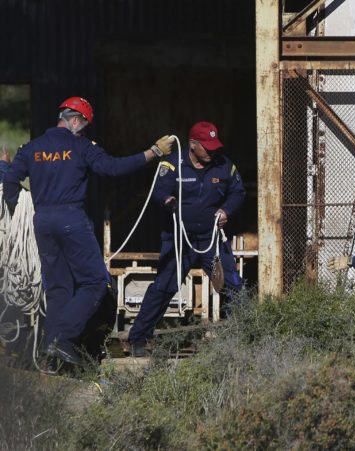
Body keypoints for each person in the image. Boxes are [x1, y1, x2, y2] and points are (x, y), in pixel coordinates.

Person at [2, 96, 174, 369]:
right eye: (84, 126)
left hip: (42, 221)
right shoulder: (80, 147)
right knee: (95, 283)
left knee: (58, 289)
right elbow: (113, 168)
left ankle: (51, 355)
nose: (85, 132)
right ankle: (61, 340)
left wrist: (16, 208)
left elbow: (10, 180)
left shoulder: (32, 148)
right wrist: (153, 152)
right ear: (74, 121)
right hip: (71, 218)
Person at [127, 120, 246, 357]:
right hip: (179, 239)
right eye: (207, 147)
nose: (213, 151)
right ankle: (137, 339)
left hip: (210, 240)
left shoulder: (224, 166)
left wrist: (226, 211)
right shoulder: (172, 164)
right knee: (164, 287)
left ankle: (244, 337)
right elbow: (158, 191)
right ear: (193, 145)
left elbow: (238, 192)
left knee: (232, 284)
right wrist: (167, 201)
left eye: (215, 146)